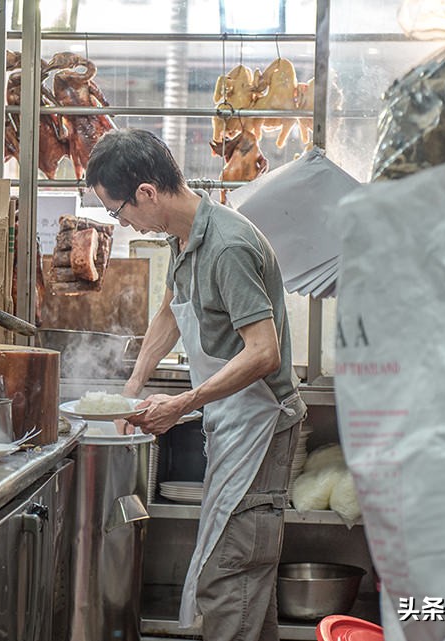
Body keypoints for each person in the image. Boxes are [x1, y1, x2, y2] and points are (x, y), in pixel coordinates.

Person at [85, 128, 307, 641]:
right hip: (233, 419)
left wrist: (184, 401)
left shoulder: (227, 245)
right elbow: (169, 312)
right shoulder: (184, 238)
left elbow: (263, 352)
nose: (125, 224)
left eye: (119, 213)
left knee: (231, 571)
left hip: (261, 425)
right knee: (242, 578)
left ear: (146, 193)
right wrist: (133, 387)